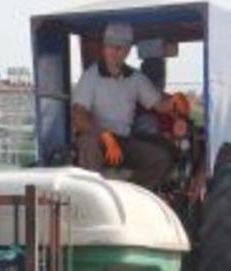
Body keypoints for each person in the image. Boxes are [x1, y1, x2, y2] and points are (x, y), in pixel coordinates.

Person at [72, 22, 189, 189]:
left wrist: (174, 101)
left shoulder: (135, 78)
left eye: (119, 48)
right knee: (88, 143)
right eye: (110, 46)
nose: (114, 52)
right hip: (97, 139)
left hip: (123, 142)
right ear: (104, 48)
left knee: (161, 159)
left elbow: (159, 105)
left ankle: (130, 193)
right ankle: (94, 194)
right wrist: (102, 134)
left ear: (127, 51)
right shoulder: (90, 76)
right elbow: (78, 114)